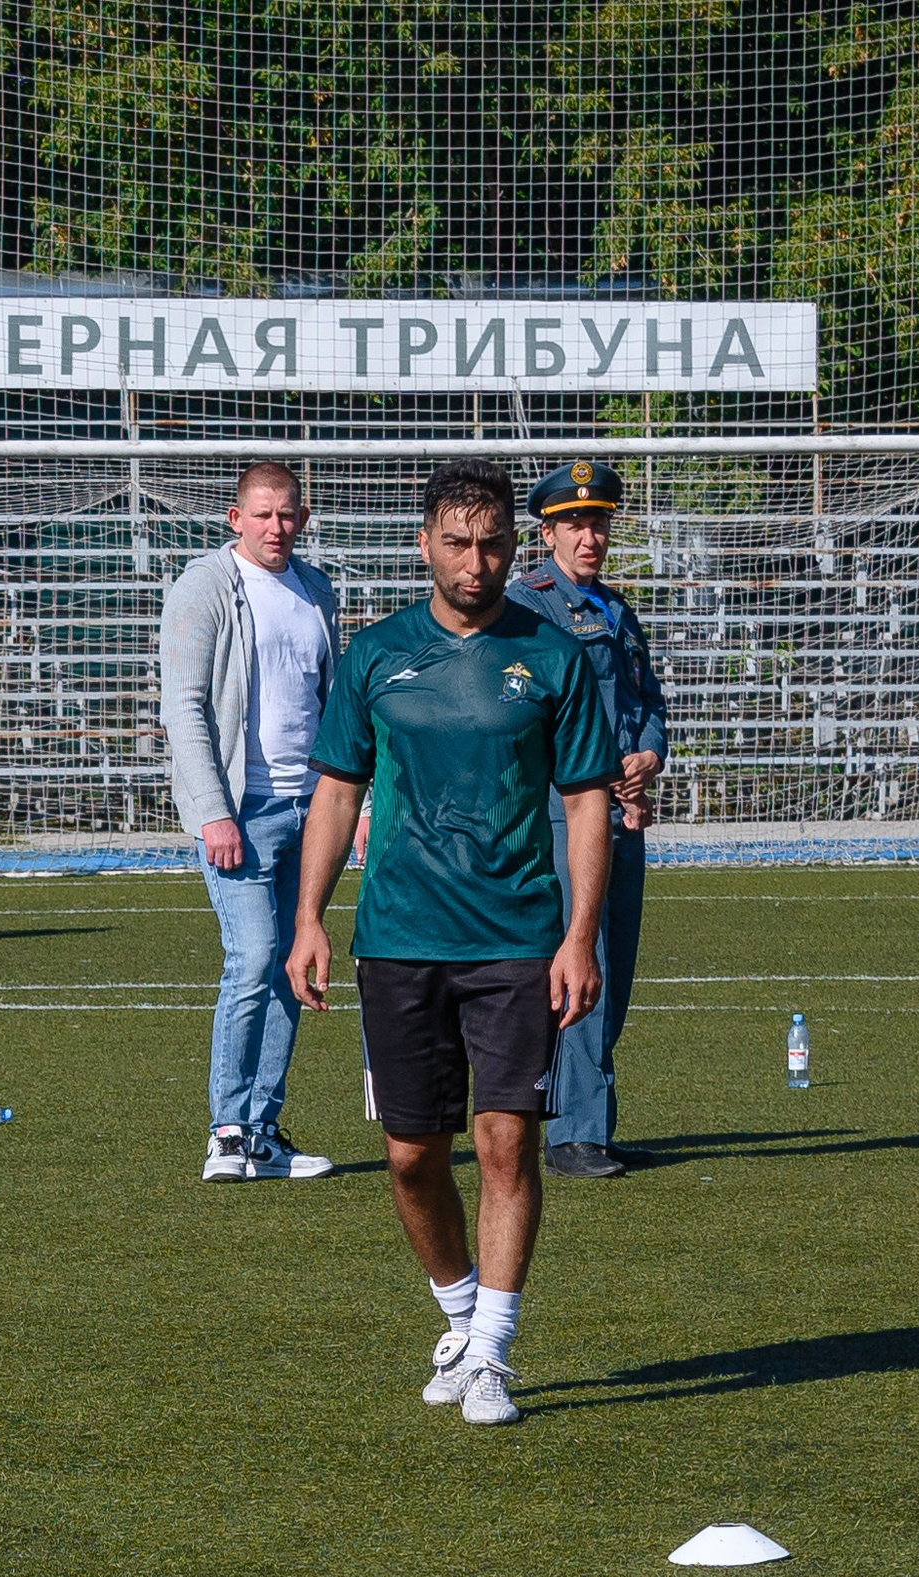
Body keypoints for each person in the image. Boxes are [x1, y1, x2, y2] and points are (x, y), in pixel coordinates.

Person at [285, 458, 615, 1427]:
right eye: (459, 543)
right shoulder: (376, 655)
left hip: (516, 934)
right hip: (396, 936)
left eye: (495, 544)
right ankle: (459, 1310)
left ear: (517, 546)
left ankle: (493, 1355)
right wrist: (309, 916)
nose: (477, 563)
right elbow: (338, 787)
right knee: (408, 1156)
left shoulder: (555, 657)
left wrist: (579, 935)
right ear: (423, 545)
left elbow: (587, 798)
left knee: (507, 1142)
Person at [161, 460, 341, 1180]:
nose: (277, 527)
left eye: (289, 514)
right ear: (235, 518)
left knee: (294, 964)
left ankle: (263, 1134)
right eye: (263, 514)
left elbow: (334, 708)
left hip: (313, 809)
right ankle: (228, 1132)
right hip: (244, 810)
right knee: (256, 955)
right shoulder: (205, 585)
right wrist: (213, 812)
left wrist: (349, 803)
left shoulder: (317, 590)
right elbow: (184, 706)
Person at [509, 459, 669, 1177]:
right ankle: (571, 1130)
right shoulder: (528, 609)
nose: (589, 535)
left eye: (598, 521)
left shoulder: (617, 610)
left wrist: (647, 760)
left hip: (621, 814)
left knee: (616, 969)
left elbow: (647, 703)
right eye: (574, 522)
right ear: (546, 533)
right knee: (584, 963)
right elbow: (523, 711)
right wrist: (600, 772)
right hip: (563, 816)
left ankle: (590, 1122)